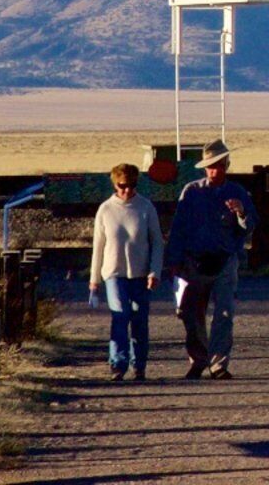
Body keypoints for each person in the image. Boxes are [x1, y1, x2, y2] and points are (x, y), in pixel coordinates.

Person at [167, 141, 256, 380]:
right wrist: (174, 261)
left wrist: (241, 213)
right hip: (194, 262)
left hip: (225, 261)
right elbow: (178, 228)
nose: (214, 171)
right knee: (193, 314)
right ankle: (198, 360)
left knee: (224, 314)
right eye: (209, 167)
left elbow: (249, 227)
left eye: (218, 165)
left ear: (226, 164)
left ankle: (218, 364)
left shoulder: (237, 192)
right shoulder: (192, 192)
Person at [86, 162, 161, 381]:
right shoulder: (106, 209)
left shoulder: (146, 207)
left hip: (141, 275)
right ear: (115, 184)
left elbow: (157, 242)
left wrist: (155, 271)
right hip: (113, 274)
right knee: (120, 316)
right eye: (122, 185)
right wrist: (94, 280)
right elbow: (98, 246)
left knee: (140, 320)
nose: (127, 190)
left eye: (132, 185)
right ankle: (118, 364)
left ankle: (139, 365)